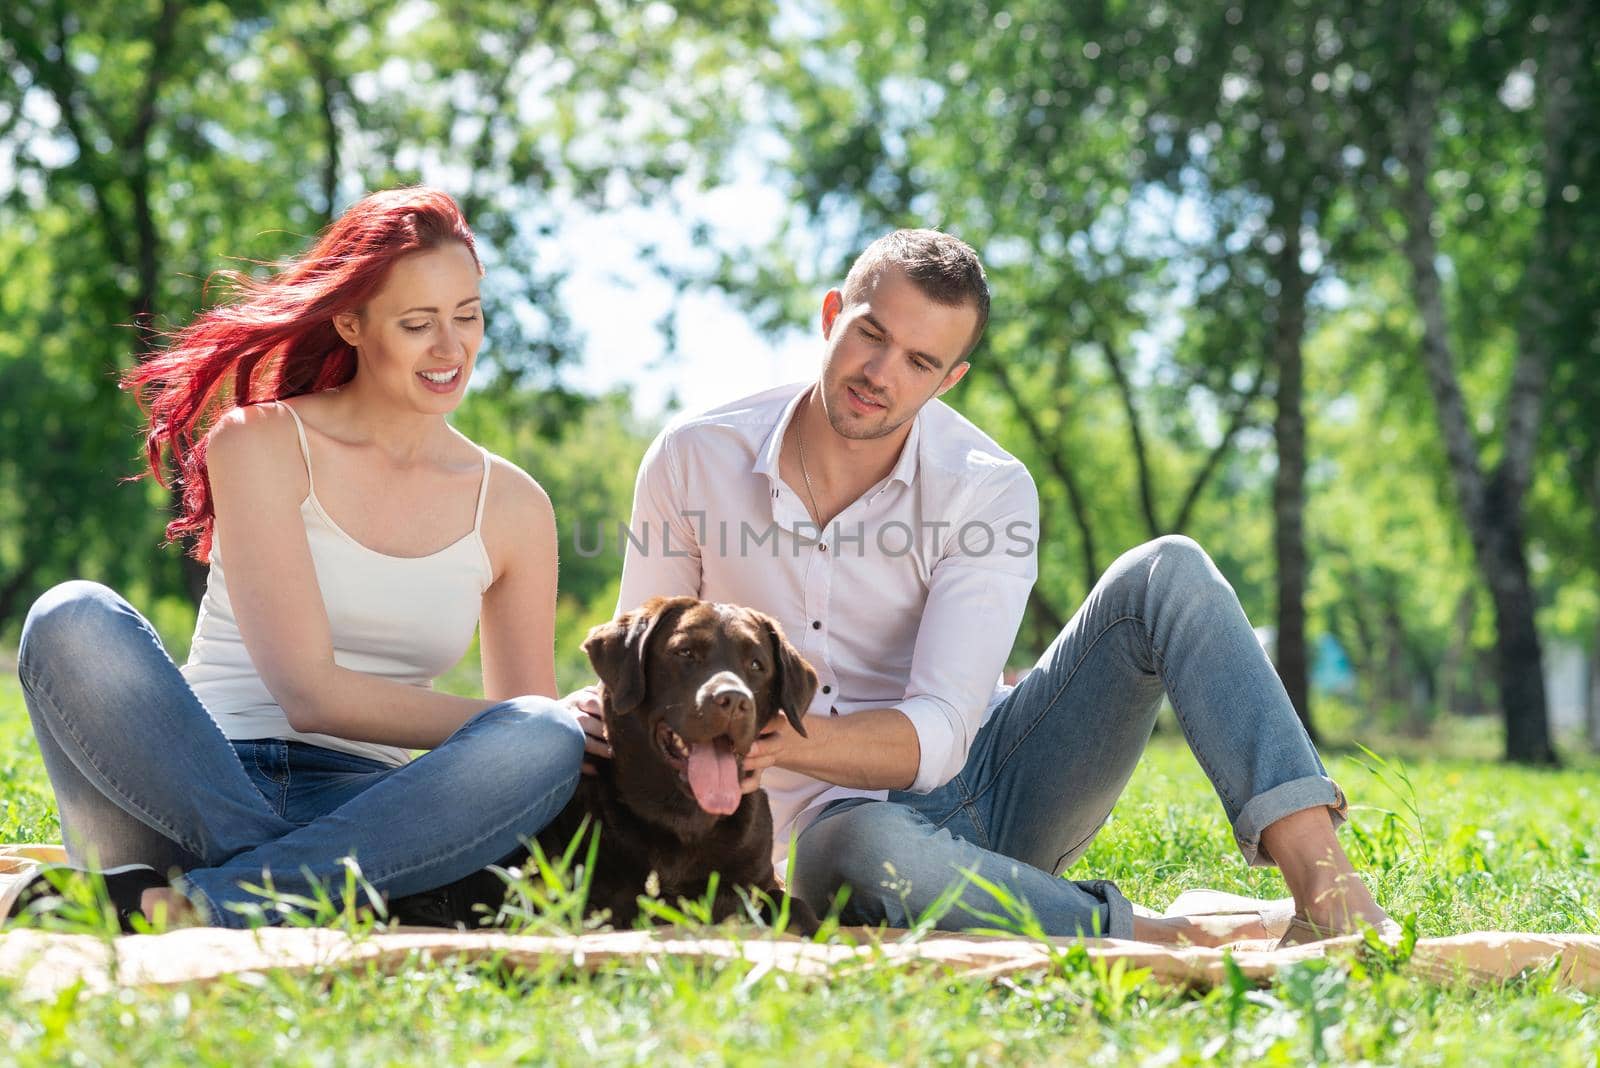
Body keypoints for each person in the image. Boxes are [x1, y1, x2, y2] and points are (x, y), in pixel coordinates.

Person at [590, 228, 1392, 945]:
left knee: (1168, 570)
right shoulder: (693, 458)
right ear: (832, 312)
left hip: (1001, 781)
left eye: (920, 362)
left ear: (951, 379)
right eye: (870, 336)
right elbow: (647, 685)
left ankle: (1329, 893)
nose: (880, 374)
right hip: (831, 831)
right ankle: (1165, 930)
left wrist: (788, 734)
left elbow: (943, 729)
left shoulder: (987, 488)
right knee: (856, 846)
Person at [6, 187, 584, 930]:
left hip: (371, 811)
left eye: (467, 317)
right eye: (418, 324)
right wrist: (500, 722)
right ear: (350, 321)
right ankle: (300, 891)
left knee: (547, 738)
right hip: (184, 782)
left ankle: (186, 903)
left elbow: (523, 747)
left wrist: (548, 728)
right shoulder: (260, 443)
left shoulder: (514, 506)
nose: (451, 348)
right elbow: (310, 694)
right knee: (71, 615)